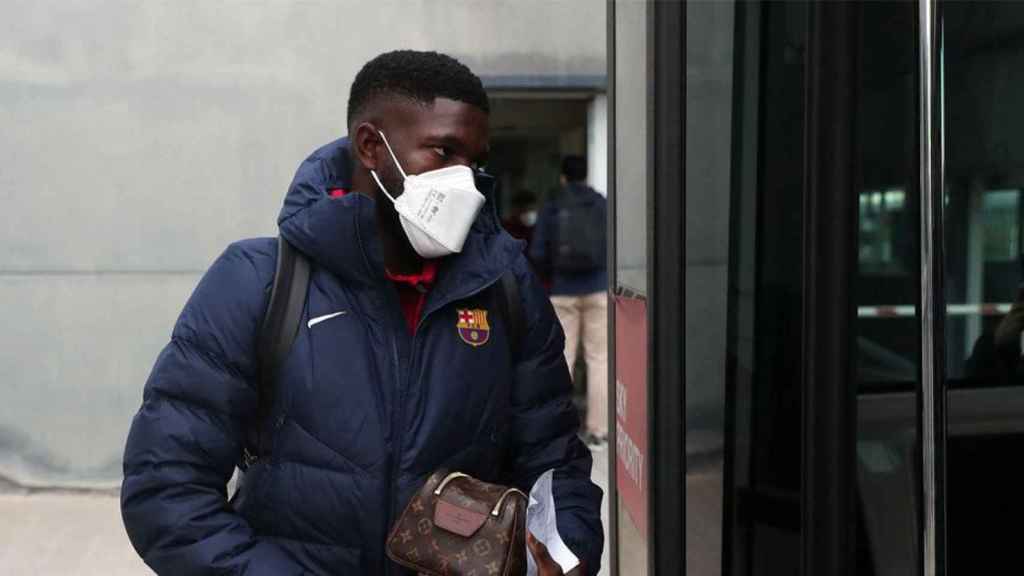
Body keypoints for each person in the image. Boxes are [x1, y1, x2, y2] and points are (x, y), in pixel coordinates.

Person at [120, 50, 602, 576]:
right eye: (443, 151)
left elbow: (554, 465)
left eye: (474, 161)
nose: (465, 181)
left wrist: (564, 554)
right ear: (371, 146)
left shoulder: (505, 287)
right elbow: (167, 489)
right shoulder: (258, 280)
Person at [529, 156, 609, 447]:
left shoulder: (553, 206)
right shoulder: (602, 204)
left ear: (563, 176)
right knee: (599, 359)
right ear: (586, 175)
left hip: (563, 290)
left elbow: (537, 252)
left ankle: (558, 430)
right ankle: (599, 430)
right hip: (598, 289)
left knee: (563, 358)